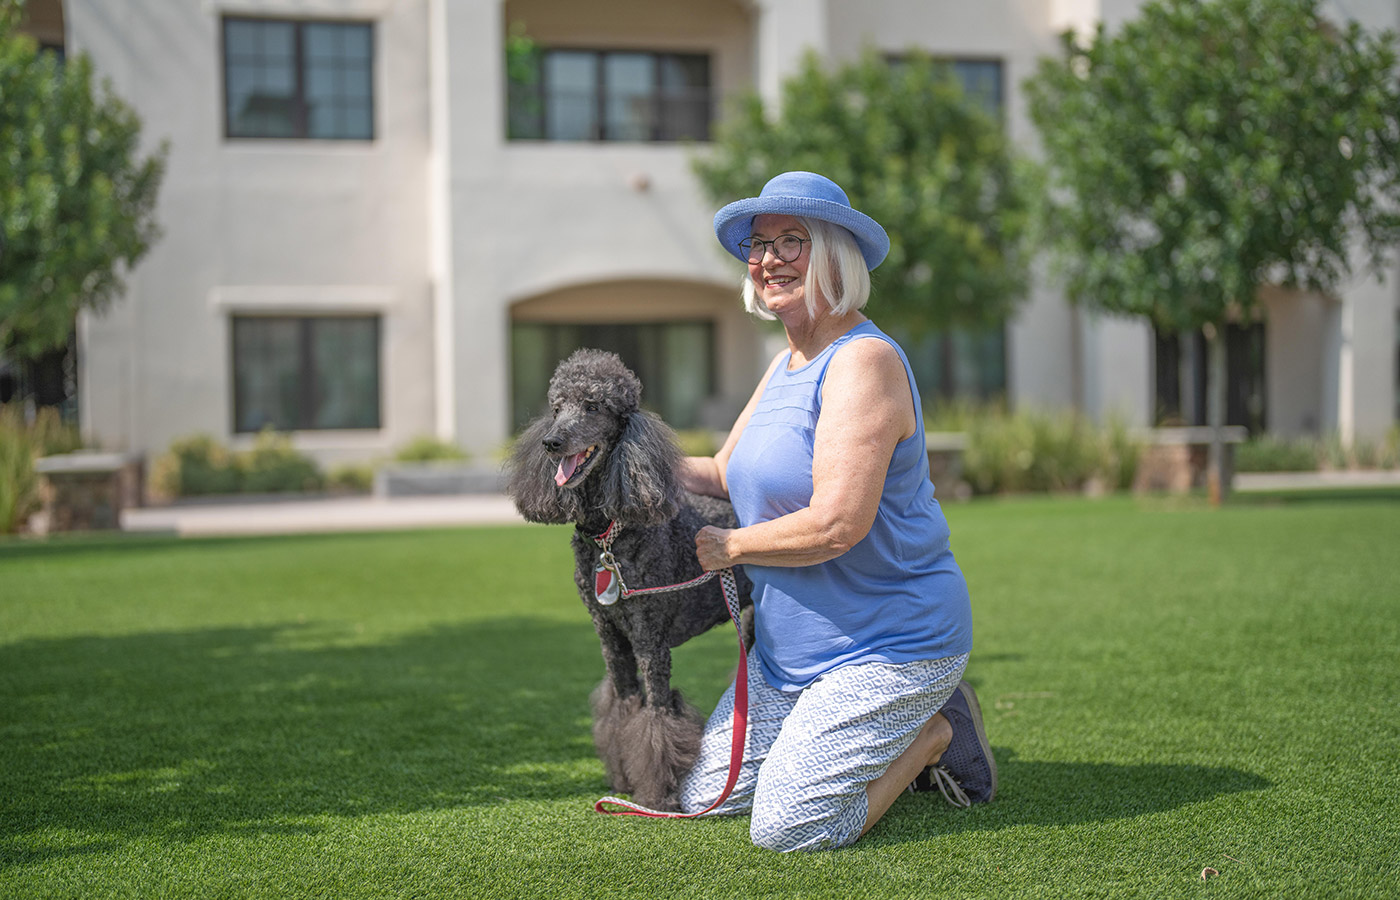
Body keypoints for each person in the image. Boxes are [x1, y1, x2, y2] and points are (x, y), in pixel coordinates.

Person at [678, 171, 996, 852]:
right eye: (760, 245)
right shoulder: (785, 361)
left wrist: (733, 547)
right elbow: (718, 473)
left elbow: (836, 525)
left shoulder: (864, 361)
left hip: (889, 644)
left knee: (790, 827)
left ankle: (933, 732)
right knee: (706, 797)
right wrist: (620, 457)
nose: (770, 259)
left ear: (837, 257)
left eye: (793, 241)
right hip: (788, 657)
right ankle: (835, 729)